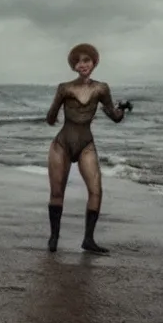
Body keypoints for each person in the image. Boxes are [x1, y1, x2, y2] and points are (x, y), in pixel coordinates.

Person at [45, 43, 132, 253]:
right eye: (78, 61)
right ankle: (54, 238)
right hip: (62, 145)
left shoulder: (101, 88)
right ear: (73, 66)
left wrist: (123, 108)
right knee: (57, 192)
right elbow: (50, 118)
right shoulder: (64, 88)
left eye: (87, 60)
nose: (82, 64)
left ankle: (88, 240)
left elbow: (114, 117)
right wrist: (53, 114)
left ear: (94, 62)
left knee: (96, 191)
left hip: (86, 144)